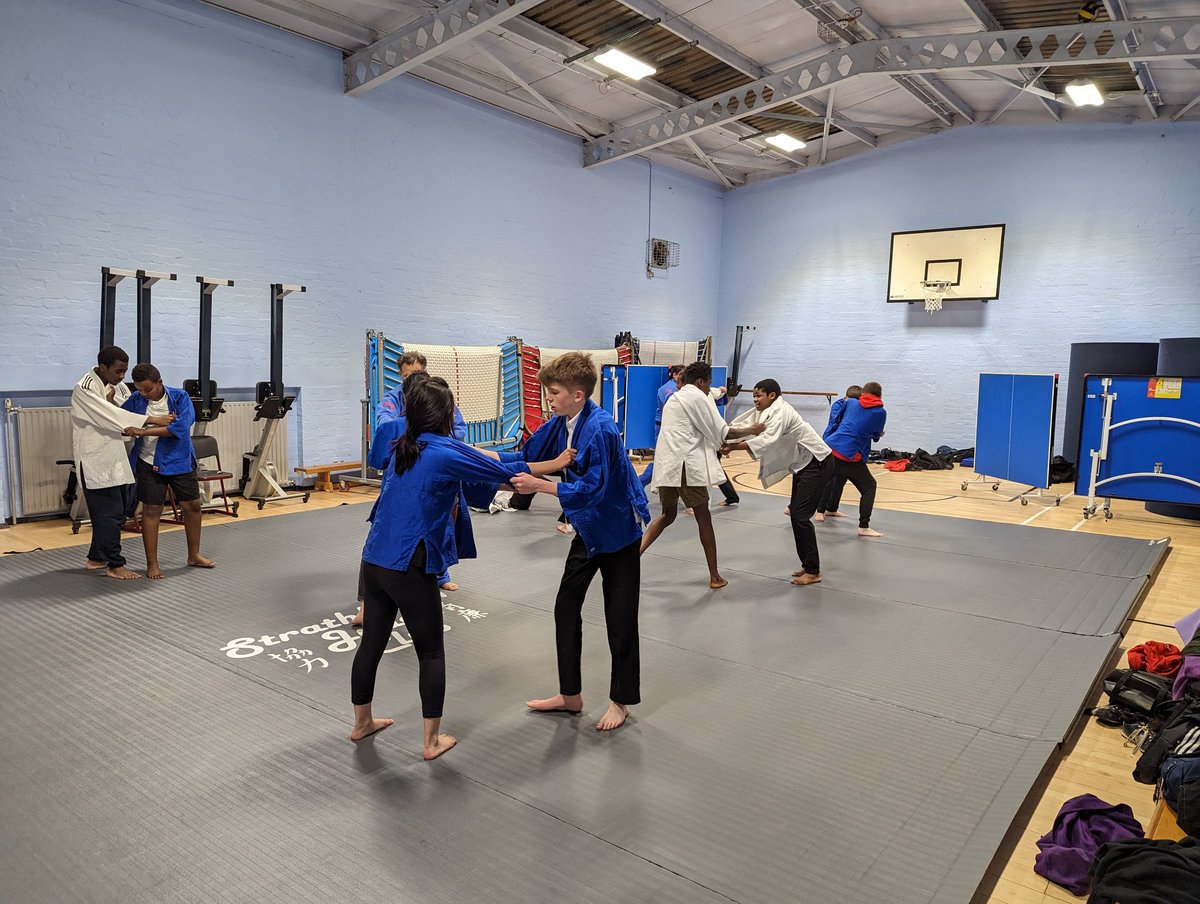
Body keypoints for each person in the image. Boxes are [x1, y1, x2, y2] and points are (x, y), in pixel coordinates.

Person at [349, 377, 573, 757]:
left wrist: (545, 466)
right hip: (409, 564)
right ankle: (431, 741)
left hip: (374, 559)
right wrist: (555, 467)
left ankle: (362, 723)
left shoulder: (403, 445)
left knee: (371, 642)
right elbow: (501, 469)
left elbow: (487, 464)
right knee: (431, 653)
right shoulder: (443, 451)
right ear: (444, 415)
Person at [507, 352, 651, 732]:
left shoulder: (600, 428)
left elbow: (593, 489)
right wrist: (476, 458)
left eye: (554, 392)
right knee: (565, 607)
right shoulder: (562, 422)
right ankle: (570, 695)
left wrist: (540, 486)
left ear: (578, 395)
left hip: (618, 530)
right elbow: (529, 455)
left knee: (620, 617)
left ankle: (621, 701)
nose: (548, 399)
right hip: (589, 530)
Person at [639, 362, 762, 589]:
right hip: (685, 466)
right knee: (703, 517)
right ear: (700, 382)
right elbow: (723, 431)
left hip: (667, 464)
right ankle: (715, 576)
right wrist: (752, 430)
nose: (709, 388)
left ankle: (631, 559)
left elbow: (709, 409)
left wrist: (726, 395)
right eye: (708, 384)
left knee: (667, 515)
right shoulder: (696, 397)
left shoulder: (676, 397)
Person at [70, 346, 177, 580]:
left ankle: (96, 558)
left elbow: (128, 410)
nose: (122, 376)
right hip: (95, 460)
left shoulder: (116, 386)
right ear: (103, 367)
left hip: (115, 457)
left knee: (116, 513)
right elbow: (113, 416)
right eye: (118, 371)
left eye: (124, 372)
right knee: (109, 515)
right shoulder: (84, 388)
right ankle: (115, 565)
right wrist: (154, 419)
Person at [724, 379, 833, 586]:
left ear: (772, 395)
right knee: (796, 516)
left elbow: (767, 440)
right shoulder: (765, 411)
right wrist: (726, 436)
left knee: (800, 516)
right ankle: (808, 564)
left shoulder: (781, 411)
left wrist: (733, 446)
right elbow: (746, 425)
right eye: (754, 396)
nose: (755, 400)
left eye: (759, 395)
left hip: (818, 462)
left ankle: (813, 571)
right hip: (803, 466)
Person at [121, 363, 214, 578]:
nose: (144, 394)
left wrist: (143, 431)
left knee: (192, 506)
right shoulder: (136, 399)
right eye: (139, 390)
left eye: (148, 389)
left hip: (179, 459)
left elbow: (179, 428)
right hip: (147, 462)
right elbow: (120, 418)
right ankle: (152, 564)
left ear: (159, 382)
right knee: (152, 510)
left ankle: (194, 555)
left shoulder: (180, 397)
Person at [820, 381, 886, 537]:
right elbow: (876, 435)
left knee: (821, 480)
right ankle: (864, 527)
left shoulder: (850, 403)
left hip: (832, 447)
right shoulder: (880, 412)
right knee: (869, 486)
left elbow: (838, 419)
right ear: (880, 395)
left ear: (863, 393)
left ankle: (795, 507)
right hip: (850, 454)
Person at [813, 385, 862, 522]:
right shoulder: (838, 405)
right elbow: (836, 423)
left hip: (845, 448)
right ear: (847, 398)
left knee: (842, 478)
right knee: (830, 478)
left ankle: (832, 508)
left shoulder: (857, 408)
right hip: (832, 445)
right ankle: (820, 510)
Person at [638, 364, 684, 488]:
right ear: (674, 375)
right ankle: (638, 483)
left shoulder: (683, 389)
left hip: (674, 428)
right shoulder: (667, 389)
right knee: (661, 459)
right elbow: (674, 407)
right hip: (664, 427)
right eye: (681, 373)